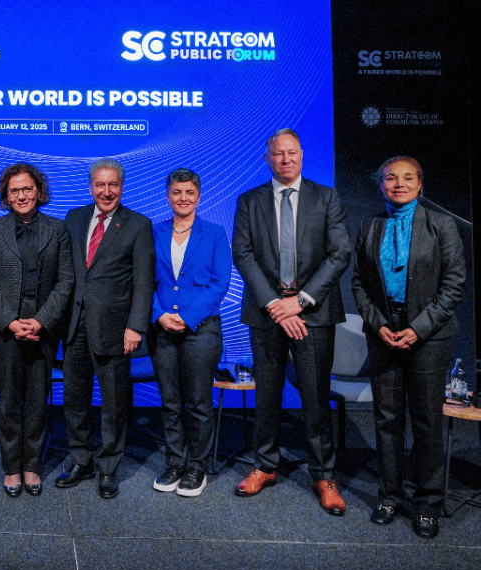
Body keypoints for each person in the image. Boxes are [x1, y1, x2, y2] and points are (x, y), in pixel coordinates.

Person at [232, 128, 351, 515]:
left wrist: (298, 302)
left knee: (316, 397)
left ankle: (324, 475)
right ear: (267, 158)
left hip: (313, 314)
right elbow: (243, 254)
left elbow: (340, 253)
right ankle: (265, 465)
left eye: (292, 153)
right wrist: (274, 304)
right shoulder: (249, 201)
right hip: (266, 314)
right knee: (266, 395)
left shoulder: (326, 197)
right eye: (278, 154)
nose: (285, 159)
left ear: (302, 155)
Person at [351, 156, 465, 538]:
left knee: (427, 421)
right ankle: (390, 496)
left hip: (428, 335)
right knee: (387, 419)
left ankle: (427, 504)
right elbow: (359, 284)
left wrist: (418, 328)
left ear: (420, 184)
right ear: (381, 184)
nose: (399, 183)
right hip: (384, 333)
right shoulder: (369, 226)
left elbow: (453, 284)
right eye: (391, 178)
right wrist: (378, 324)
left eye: (408, 177)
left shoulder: (441, 225)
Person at [57, 158, 154, 499]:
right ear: (91, 187)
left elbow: (144, 282)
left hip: (115, 329)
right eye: (100, 184)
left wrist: (135, 327)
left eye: (113, 185)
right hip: (74, 326)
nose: (107, 191)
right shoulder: (74, 218)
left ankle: (109, 467)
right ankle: (80, 460)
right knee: (74, 399)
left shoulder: (138, 224)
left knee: (113, 403)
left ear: (122, 187)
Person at [0, 163, 73, 498]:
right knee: (7, 401)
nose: (21, 196)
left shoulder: (58, 229)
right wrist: (10, 321)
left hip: (43, 329)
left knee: (37, 400)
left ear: (39, 192)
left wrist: (41, 321)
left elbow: (65, 281)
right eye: (14, 190)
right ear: (6, 195)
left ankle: (32, 464)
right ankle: (11, 467)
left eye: (27, 189)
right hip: (5, 330)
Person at [148, 168, 231, 497]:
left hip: (201, 330)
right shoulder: (153, 232)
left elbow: (220, 283)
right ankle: (175, 462)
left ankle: (197, 466)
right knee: (170, 402)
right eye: (176, 192)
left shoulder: (215, 233)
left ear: (199, 195)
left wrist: (187, 317)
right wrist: (158, 315)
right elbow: (142, 280)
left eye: (189, 192)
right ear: (167, 196)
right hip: (162, 329)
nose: (183, 198)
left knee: (198, 402)